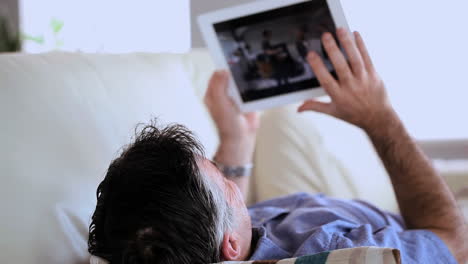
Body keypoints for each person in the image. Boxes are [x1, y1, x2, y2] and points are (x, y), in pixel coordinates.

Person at [88, 28, 468, 264]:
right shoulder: (328, 249)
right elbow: (453, 243)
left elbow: (216, 222)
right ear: (231, 247)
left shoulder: (176, 244)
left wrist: (236, 138)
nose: (231, 180)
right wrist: (379, 118)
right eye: (226, 184)